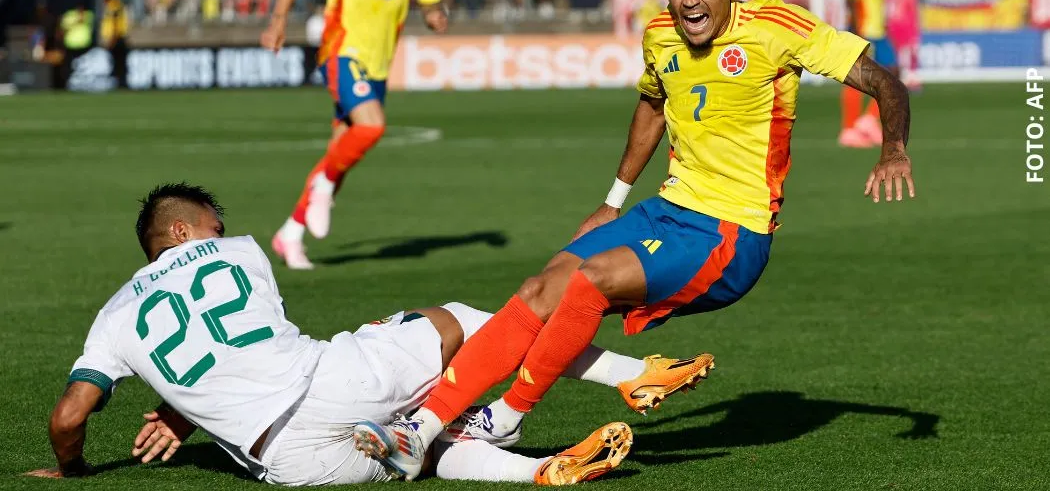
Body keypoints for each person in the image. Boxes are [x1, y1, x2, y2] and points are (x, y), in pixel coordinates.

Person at [354, 0, 917, 481]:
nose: (690, 3)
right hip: (666, 208)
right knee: (539, 288)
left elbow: (881, 79)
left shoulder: (776, 27)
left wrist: (893, 148)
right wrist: (614, 198)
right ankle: (420, 429)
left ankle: (504, 415)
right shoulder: (660, 35)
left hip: (732, 233)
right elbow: (652, 105)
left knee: (590, 280)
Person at [24, 183, 687, 485]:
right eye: (211, 219)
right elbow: (253, 344)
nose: (220, 226)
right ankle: (621, 375)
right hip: (329, 384)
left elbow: (68, 414)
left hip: (284, 463)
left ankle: (539, 471)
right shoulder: (240, 252)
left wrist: (74, 465)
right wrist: (181, 411)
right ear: (180, 230)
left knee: (418, 449)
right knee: (459, 321)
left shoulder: (111, 319)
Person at [262, 0, 448, 270]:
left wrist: (434, 16)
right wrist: (279, 19)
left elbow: (429, 0)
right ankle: (323, 188)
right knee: (371, 127)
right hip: (342, 50)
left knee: (340, 151)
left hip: (378, 65)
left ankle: (290, 233)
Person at [840, 0, 899, 148]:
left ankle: (868, 119)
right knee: (858, 77)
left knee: (893, 72)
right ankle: (849, 129)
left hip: (878, 29)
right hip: (866, 30)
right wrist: (857, 29)